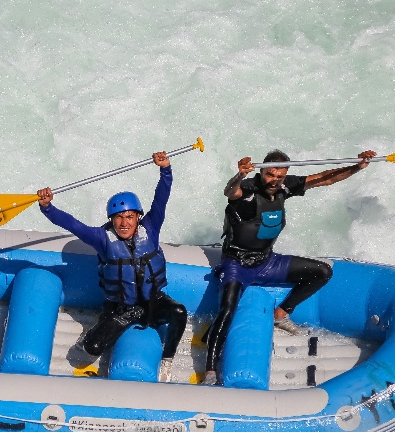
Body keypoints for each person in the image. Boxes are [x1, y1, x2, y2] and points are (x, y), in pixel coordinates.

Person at [202, 148, 377, 385]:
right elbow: (230, 191)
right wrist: (239, 175)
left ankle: (280, 313)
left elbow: (324, 178)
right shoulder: (248, 190)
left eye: (280, 176)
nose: (275, 180)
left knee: (323, 272)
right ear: (262, 172)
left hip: (267, 261)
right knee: (227, 311)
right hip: (237, 264)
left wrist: (357, 167)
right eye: (270, 175)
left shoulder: (285, 186)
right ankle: (211, 371)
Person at [36, 152, 187, 383]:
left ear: (138, 217)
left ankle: (167, 358)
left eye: (129, 217)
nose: (124, 223)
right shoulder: (102, 238)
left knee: (179, 312)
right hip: (121, 309)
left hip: (153, 302)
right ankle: (93, 333)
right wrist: (48, 208)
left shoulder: (152, 228)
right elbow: (72, 224)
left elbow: (161, 198)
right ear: (111, 219)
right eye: (118, 218)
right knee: (90, 349)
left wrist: (165, 169)